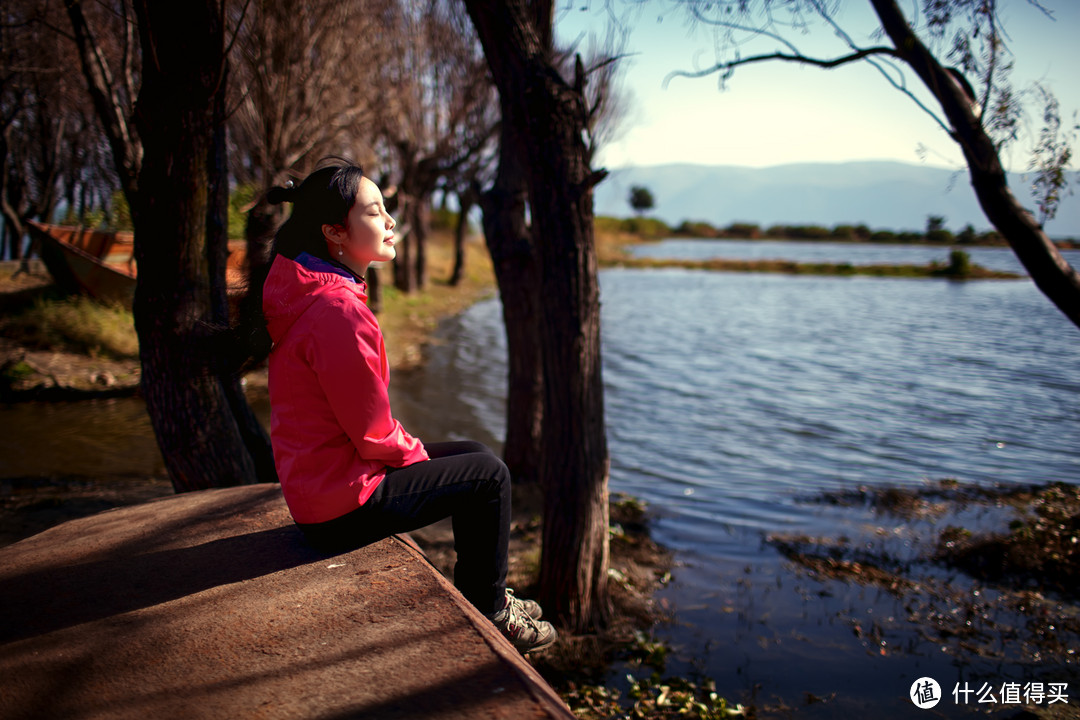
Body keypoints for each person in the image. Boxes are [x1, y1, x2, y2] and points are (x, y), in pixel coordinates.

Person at [256, 162, 556, 654]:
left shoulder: (312, 293)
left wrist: (415, 453)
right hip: (338, 506)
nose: (391, 221)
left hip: (320, 486)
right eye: (375, 212)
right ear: (335, 232)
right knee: (489, 476)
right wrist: (414, 454)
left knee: (474, 450)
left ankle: (491, 590)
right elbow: (374, 434)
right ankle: (492, 610)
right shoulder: (338, 312)